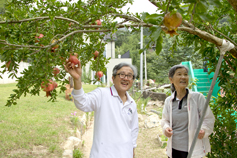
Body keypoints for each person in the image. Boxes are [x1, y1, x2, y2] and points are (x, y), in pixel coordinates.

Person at [64, 61, 139, 158]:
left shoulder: (132, 103)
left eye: (129, 76)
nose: (125, 78)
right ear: (113, 78)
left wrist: (132, 151)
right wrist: (77, 79)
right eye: (121, 74)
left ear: (132, 80)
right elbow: (82, 103)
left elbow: (133, 130)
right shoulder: (102, 94)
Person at [161, 65, 215, 158]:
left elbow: (208, 118)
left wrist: (204, 130)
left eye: (185, 74)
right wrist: (166, 128)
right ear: (171, 79)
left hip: (193, 149)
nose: (183, 77)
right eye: (179, 74)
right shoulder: (169, 101)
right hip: (173, 149)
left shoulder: (198, 98)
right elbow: (165, 120)